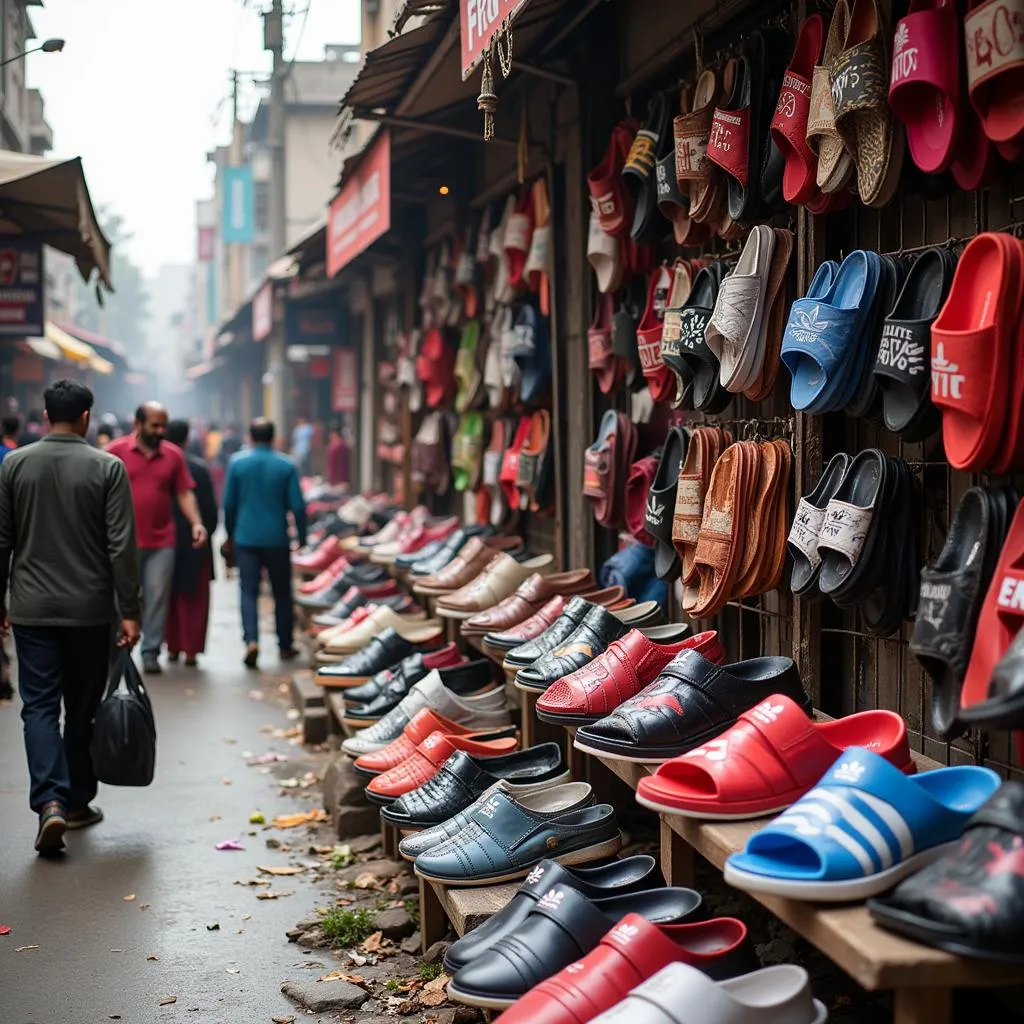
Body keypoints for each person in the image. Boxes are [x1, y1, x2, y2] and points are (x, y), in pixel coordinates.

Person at [0, 379, 141, 855]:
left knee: (38, 706)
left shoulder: (14, 465)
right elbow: (121, 546)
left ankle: (51, 802)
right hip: (90, 611)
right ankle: (78, 801)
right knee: (81, 707)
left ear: (44, 414)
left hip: (32, 610)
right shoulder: (108, 468)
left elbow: (3, 540)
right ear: (87, 417)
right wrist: (130, 609)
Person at [107, 402, 208, 675]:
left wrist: (196, 523)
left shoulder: (174, 456)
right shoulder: (115, 452)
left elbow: (184, 493)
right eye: (155, 425)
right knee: (121, 598)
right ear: (138, 424)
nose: (161, 430)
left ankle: (150, 651)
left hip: (163, 540)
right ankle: (118, 650)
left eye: (163, 425)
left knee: (157, 597)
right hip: (122, 543)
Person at [223, 418, 306, 668]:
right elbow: (298, 506)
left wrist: (230, 534)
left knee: (248, 591)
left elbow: (228, 504)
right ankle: (285, 645)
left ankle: (251, 640)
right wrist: (302, 537)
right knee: (282, 592)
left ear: (250, 436)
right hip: (276, 538)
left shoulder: (237, 463)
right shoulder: (285, 465)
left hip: (246, 537)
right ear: (273, 437)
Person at [165, 420, 218, 667]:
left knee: (168, 595)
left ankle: (172, 647)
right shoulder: (198, 468)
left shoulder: (160, 465)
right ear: (187, 439)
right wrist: (207, 531)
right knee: (194, 598)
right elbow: (209, 508)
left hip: (165, 539)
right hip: (195, 540)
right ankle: (191, 650)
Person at [326, 423, 350, 487]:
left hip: (337, 481)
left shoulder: (335, 448)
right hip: (342, 480)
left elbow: (333, 466)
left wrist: (331, 480)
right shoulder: (343, 447)